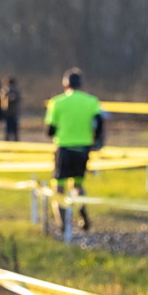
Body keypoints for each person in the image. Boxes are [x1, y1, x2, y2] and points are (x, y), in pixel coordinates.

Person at [44, 68, 103, 231]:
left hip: (64, 148)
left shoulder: (56, 102)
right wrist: (95, 140)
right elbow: (99, 122)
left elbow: (50, 130)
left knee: (59, 186)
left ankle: (62, 223)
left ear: (64, 85)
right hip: (83, 148)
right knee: (77, 184)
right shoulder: (92, 101)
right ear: (81, 85)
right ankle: (82, 209)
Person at [0, 77, 22, 141]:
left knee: (14, 130)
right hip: (6, 112)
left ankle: (15, 141)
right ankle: (7, 140)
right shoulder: (3, 90)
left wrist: (12, 98)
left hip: (13, 112)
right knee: (6, 129)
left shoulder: (16, 91)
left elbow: (17, 98)